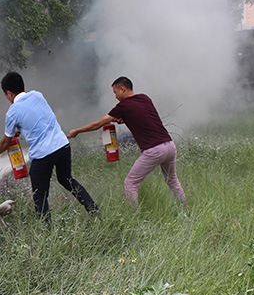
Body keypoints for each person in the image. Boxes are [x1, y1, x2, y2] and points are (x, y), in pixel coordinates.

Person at [0, 71, 98, 221]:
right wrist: (19, 128)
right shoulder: (37, 95)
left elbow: (6, 142)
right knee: (67, 179)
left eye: (6, 95)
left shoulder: (12, 112)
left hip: (43, 154)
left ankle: (47, 233)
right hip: (62, 146)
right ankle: (93, 210)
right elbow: (36, 117)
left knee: (39, 196)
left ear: (9, 93)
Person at [69, 76, 186, 207]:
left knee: (130, 182)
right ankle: (185, 208)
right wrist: (125, 119)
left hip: (154, 150)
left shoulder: (122, 107)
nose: (115, 96)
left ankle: (133, 216)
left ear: (123, 89)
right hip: (169, 146)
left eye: (115, 92)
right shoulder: (144, 98)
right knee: (172, 180)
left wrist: (77, 131)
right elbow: (142, 115)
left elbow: (97, 124)